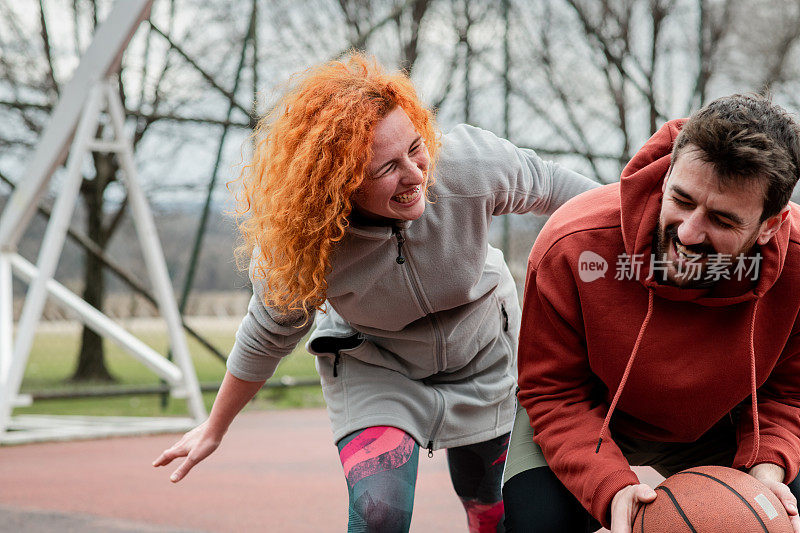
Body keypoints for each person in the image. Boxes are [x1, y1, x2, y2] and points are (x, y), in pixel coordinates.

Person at [152, 53, 597, 532]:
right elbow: (266, 334)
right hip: (378, 365)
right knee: (379, 512)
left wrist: (645, 225)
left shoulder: (467, 166)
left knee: (490, 506)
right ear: (337, 184)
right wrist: (215, 427)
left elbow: (561, 190)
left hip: (484, 355)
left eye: (415, 146)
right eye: (388, 167)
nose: (415, 174)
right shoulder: (307, 243)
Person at [502, 93, 800, 533]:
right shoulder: (571, 246)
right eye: (681, 199)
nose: (689, 231)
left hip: (727, 419)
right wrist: (611, 486)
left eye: (722, 219)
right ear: (666, 177)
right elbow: (553, 392)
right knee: (537, 523)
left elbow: (789, 392)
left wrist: (766, 469)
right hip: (589, 408)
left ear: (769, 225)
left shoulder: (795, 267)